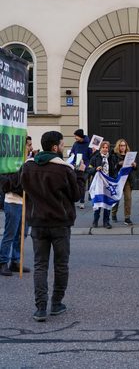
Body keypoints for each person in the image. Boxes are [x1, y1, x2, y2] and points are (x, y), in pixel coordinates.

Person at [2, 131, 87, 321]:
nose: (64, 148)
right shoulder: (65, 169)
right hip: (60, 224)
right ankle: (56, 303)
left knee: (40, 265)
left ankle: (40, 306)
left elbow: (8, 183)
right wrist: (81, 173)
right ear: (55, 147)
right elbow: (76, 195)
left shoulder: (28, 167)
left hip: (38, 223)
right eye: (63, 144)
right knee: (61, 265)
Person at [0, 171, 30, 276]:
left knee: (22, 234)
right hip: (13, 201)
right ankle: (3, 262)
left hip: (26, 202)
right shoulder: (12, 162)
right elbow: (8, 182)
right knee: (10, 234)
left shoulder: (31, 160)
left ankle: (16, 261)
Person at [87, 141, 115, 229]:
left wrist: (114, 180)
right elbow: (89, 170)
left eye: (106, 148)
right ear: (100, 148)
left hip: (108, 184)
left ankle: (106, 221)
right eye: (103, 147)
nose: (105, 149)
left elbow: (114, 171)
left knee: (107, 202)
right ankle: (95, 219)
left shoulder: (112, 158)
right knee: (98, 202)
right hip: (98, 184)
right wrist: (96, 169)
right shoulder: (94, 158)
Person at [110, 139, 137, 225]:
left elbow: (134, 169)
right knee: (116, 197)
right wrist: (118, 164)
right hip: (118, 179)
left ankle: (127, 217)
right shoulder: (114, 156)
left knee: (128, 198)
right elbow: (112, 166)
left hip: (128, 179)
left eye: (124, 145)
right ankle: (113, 214)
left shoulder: (129, 155)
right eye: (121, 145)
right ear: (118, 146)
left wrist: (134, 165)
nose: (123, 147)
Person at [69, 129, 93, 209]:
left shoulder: (88, 144)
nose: (75, 137)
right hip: (76, 166)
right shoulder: (75, 144)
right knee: (73, 182)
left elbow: (91, 156)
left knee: (82, 183)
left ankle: (82, 201)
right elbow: (72, 152)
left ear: (80, 136)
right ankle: (73, 199)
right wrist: (71, 154)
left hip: (84, 167)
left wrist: (93, 152)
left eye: (76, 136)